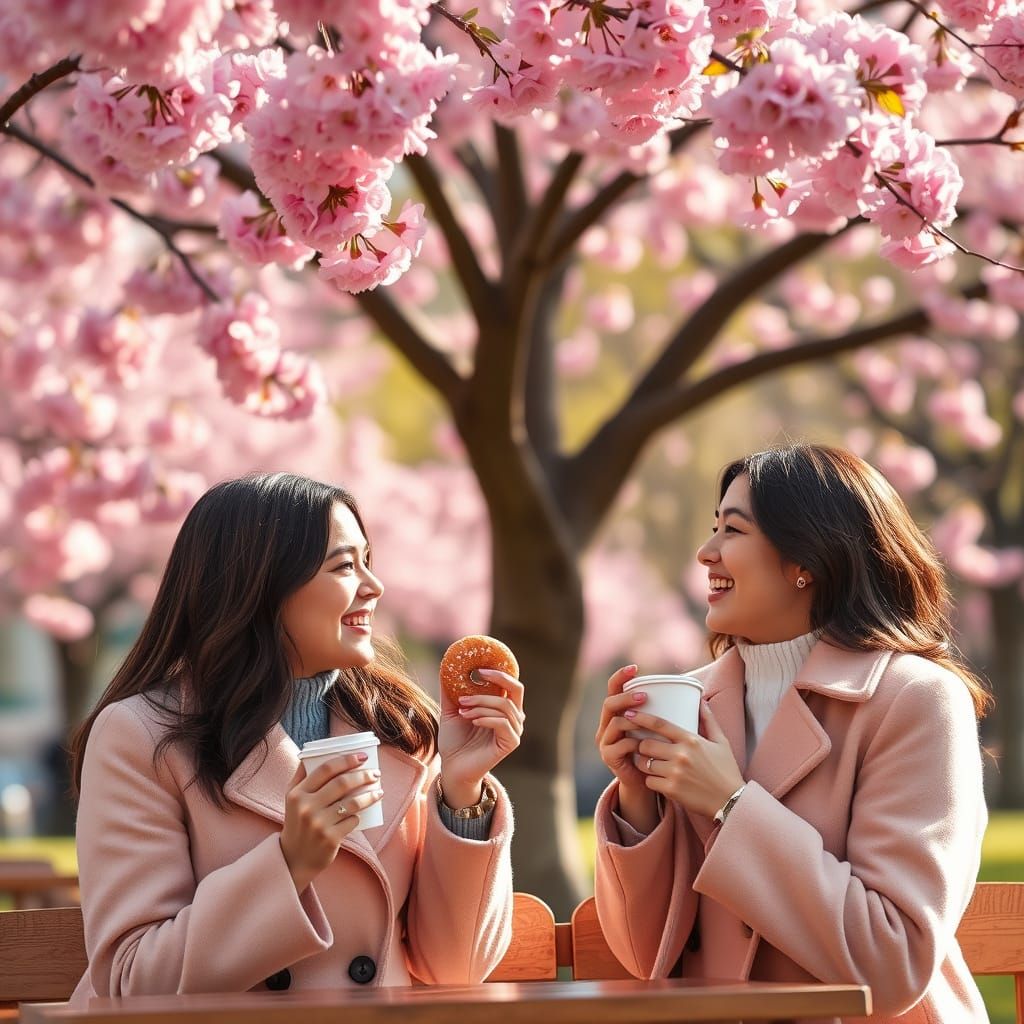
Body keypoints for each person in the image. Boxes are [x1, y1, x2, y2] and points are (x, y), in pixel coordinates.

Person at [69, 472, 524, 998]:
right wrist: (290, 862)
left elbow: (457, 969)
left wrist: (461, 793)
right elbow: (131, 981)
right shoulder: (140, 737)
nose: (373, 587)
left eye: (368, 562)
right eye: (345, 566)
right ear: (261, 585)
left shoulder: (403, 731)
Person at [594, 444, 990, 1023]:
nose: (706, 553)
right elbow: (644, 955)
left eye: (732, 531)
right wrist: (638, 799)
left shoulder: (915, 699)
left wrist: (729, 804)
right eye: (713, 530)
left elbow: (893, 960)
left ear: (806, 558)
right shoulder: (692, 701)